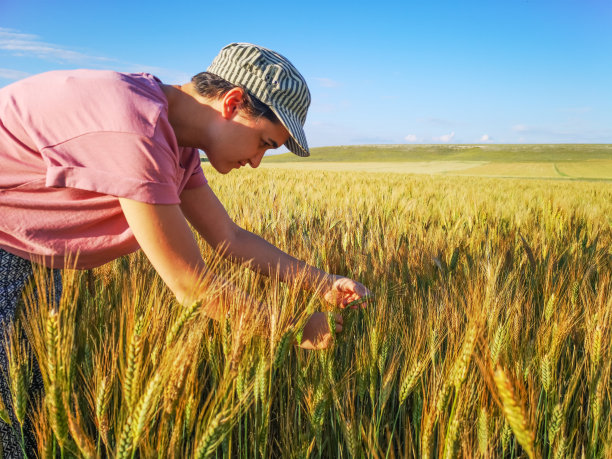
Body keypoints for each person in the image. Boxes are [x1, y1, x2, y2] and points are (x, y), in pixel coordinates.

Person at [0, 43, 370, 456]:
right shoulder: (133, 125)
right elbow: (189, 284)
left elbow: (229, 237)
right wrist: (292, 331)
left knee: (30, 411)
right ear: (232, 103)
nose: (257, 162)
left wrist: (324, 282)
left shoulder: (176, 143)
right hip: (6, 249)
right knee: (11, 420)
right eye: (265, 142)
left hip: (31, 254)